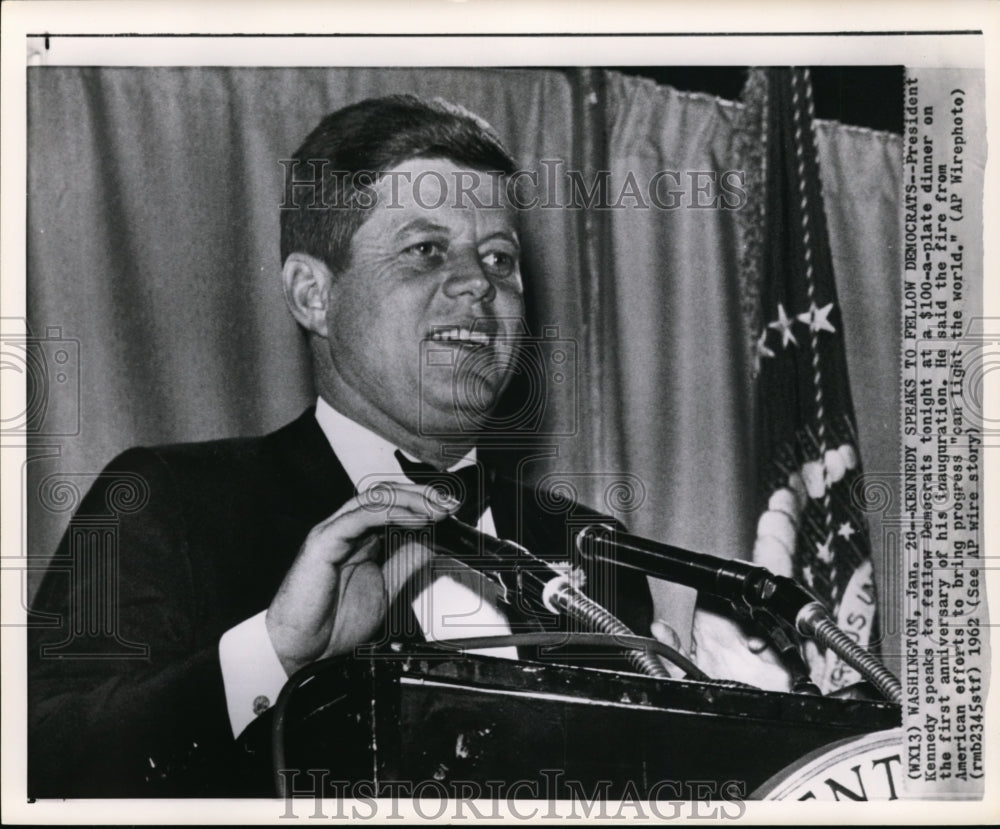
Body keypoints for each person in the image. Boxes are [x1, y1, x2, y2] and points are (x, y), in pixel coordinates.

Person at [28, 94, 789, 799]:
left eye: (499, 258)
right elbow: (42, 766)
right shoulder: (168, 500)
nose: (478, 286)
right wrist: (273, 656)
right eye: (426, 250)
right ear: (312, 294)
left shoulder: (600, 557)